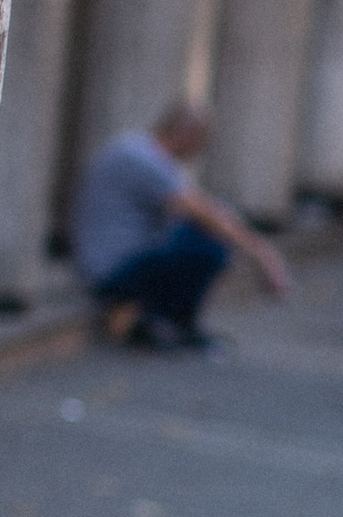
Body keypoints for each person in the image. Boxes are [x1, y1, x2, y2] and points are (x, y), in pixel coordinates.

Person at [70, 100, 291, 349]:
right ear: (188, 135)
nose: (202, 149)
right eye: (203, 140)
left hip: (127, 257)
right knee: (207, 244)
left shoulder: (149, 154)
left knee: (208, 232)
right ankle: (165, 321)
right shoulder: (141, 157)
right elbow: (203, 213)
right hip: (110, 268)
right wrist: (263, 254)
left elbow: (212, 209)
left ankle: (166, 320)